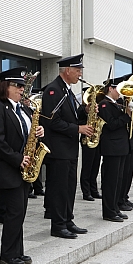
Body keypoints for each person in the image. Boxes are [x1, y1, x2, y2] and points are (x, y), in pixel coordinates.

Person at [0, 67, 44, 264]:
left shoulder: (24, 109)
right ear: (5, 86)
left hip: (23, 167)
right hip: (8, 167)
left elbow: (27, 135)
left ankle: (18, 251)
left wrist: (38, 132)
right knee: (13, 212)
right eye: (18, 85)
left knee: (20, 212)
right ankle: (8, 254)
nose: (22, 89)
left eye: (22, 86)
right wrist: (18, 159)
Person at [40, 54, 93, 239]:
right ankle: (58, 224)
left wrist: (84, 111)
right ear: (67, 70)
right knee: (59, 188)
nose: (80, 74)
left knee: (70, 186)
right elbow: (53, 122)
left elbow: (68, 115)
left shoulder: (67, 90)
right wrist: (78, 128)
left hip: (69, 149)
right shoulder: (53, 90)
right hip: (58, 149)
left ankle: (68, 219)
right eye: (78, 70)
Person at [97, 76, 133, 222]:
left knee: (118, 180)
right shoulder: (104, 105)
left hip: (120, 147)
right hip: (111, 148)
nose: (120, 93)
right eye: (118, 90)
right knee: (110, 181)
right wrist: (127, 116)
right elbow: (111, 124)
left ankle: (115, 208)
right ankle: (109, 211)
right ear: (111, 88)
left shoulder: (116, 104)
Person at [77, 89, 102, 202]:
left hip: (96, 138)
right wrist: (87, 112)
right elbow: (79, 120)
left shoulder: (97, 108)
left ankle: (94, 190)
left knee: (95, 166)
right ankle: (86, 192)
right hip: (87, 139)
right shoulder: (81, 108)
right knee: (87, 166)